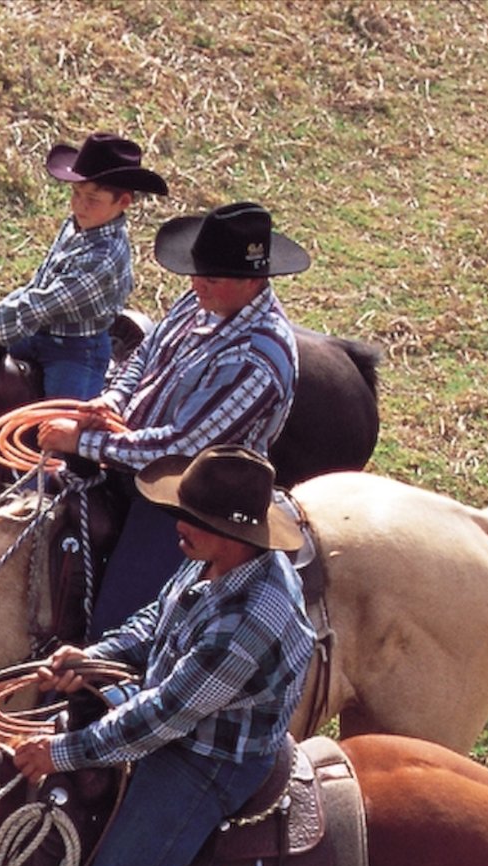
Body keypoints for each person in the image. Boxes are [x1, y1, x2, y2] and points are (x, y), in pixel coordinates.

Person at [9, 447, 315, 866]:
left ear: (235, 534)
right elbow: (156, 623)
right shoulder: (211, 563)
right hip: (171, 717)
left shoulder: (255, 620)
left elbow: (163, 720)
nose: (178, 525)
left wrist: (62, 753)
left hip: (208, 762)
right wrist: (91, 657)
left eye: (193, 518)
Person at [37, 200, 308, 634]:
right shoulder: (202, 299)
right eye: (196, 273)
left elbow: (180, 449)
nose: (197, 285)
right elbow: (146, 352)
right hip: (131, 455)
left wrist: (83, 443)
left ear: (254, 281)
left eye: (212, 278)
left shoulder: (259, 360)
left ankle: (101, 683)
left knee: (118, 621)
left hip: (189, 500)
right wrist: (113, 401)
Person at [0, 132, 167, 401]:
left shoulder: (104, 257)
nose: (80, 205)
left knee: (60, 422)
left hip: (77, 349)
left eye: (92, 199)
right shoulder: (75, 226)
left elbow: (47, 302)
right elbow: (39, 284)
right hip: (40, 332)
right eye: (76, 193)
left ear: (123, 202)